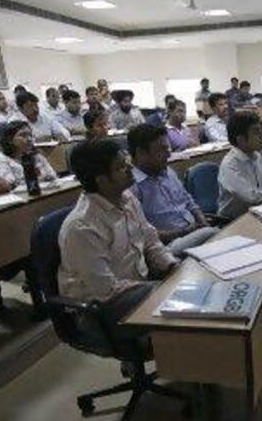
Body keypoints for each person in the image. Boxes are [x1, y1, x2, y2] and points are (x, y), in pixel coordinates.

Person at [58, 139, 178, 335]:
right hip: (101, 310)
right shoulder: (82, 226)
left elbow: (150, 239)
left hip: (136, 285)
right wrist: (159, 288)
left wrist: (171, 266)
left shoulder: (127, 197)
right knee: (176, 301)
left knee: (184, 269)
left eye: (127, 162)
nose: (131, 168)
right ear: (101, 180)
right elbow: (106, 290)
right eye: (121, 167)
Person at [128, 125, 219, 257]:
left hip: (194, 231)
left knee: (215, 235)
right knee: (215, 234)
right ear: (141, 153)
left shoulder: (167, 171)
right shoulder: (131, 188)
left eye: (168, 147)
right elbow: (145, 235)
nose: (169, 153)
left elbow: (188, 201)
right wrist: (186, 231)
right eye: (161, 149)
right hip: (169, 246)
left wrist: (202, 220)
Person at [0, 120, 58, 188]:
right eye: (23, 135)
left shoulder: (37, 156)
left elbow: (53, 175)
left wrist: (47, 178)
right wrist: (39, 179)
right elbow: (10, 185)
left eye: (30, 135)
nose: (29, 139)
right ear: (10, 140)